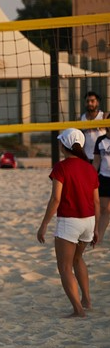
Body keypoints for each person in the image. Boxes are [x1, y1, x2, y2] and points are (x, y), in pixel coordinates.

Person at [37, 128, 99, 318]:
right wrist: (96, 227)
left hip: (70, 222)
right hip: (88, 221)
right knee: (78, 260)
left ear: (64, 145)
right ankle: (86, 300)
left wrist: (44, 224)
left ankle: (78, 310)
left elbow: (56, 199)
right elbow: (96, 200)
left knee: (64, 268)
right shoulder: (89, 167)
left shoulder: (61, 167)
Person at [80, 91, 106, 163]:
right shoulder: (82, 118)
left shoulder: (103, 117)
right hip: (87, 157)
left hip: (101, 156)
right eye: (87, 101)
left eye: (92, 101)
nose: (89, 103)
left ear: (97, 102)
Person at [94, 134, 110, 240]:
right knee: (104, 209)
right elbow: (96, 162)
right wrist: (90, 178)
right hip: (104, 178)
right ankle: (98, 238)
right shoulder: (101, 140)